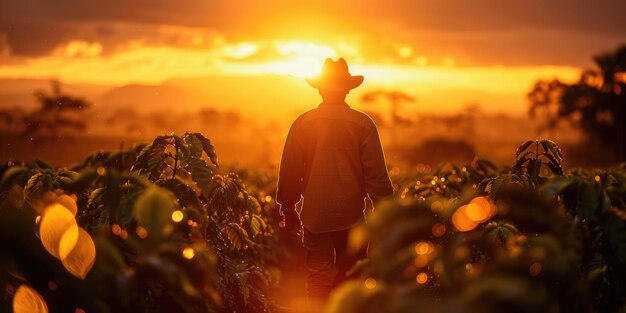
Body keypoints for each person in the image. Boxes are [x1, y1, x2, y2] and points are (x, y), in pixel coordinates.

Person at [276, 57, 394, 300]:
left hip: (314, 215)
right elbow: (377, 178)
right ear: (348, 89)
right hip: (352, 216)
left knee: (318, 278)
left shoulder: (302, 123)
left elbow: (290, 170)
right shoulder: (363, 124)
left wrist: (288, 209)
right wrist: (383, 217)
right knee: (351, 279)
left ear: (319, 89)